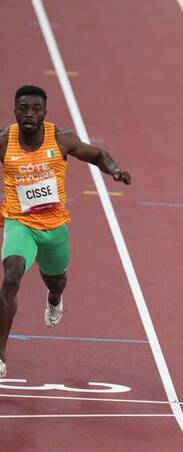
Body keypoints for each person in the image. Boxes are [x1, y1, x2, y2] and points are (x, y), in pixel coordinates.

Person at [0, 85, 132, 378]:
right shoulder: (5, 141)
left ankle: (54, 299)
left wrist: (115, 170)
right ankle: (0, 355)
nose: (29, 114)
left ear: (44, 113)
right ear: (15, 112)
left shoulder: (61, 139)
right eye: (24, 109)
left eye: (36, 109)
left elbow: (98, 154)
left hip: (54, 226)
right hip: (20, 223)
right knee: (11, 278)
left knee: (56, 281)